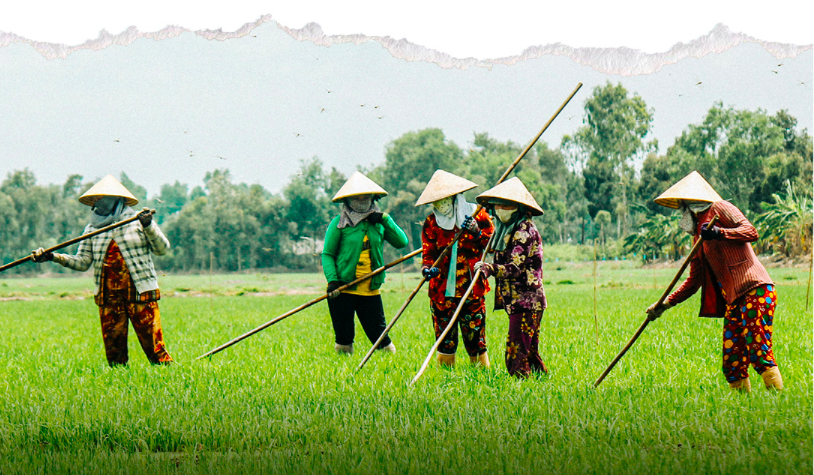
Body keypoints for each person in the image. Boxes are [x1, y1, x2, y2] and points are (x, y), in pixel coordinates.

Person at [645, 171, 784, 392]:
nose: (682, 210)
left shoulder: (720, 208)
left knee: (759, 351)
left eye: (684, 204)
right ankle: (744, 408)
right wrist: (664, 305)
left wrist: (720, 233)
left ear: (692, 203)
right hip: (734, 299)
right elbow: (694, 280)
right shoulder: (698, 236)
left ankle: (779, 401)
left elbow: (751, 231)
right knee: (732, 360)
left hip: (755, 290)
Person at [31, 175, 173, 367]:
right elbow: (82, 262)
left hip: (140, 292)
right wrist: (53, 256)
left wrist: (148, 226)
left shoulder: (138, 220)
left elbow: (162, 249)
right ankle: (119, 382)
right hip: (108, 296)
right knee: (114, 350)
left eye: (102, 198)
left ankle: (165, 373)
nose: (97, 203)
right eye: (95, 199)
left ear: (116, 199)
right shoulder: (92, 229)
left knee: (154, 345)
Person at [321, 172, 408, 355]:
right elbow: (327, 254)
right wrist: (333, 281)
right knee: (344, 338)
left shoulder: (379, 224)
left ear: (373, 197)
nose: (362, 200)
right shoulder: (339, 224)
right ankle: (343, 372)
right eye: (357, 197)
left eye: (366, 196)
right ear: (348, 200)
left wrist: (385, 219)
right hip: (343, 288)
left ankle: (391, 366)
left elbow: (402, 242)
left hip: (370, 288)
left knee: (380, 337)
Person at [415, 170, 494, 368]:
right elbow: (428, 254)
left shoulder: (477, 214)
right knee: (445, 339)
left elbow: (492, 245)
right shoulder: (432, 222)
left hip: (471, 289)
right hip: (442, 292)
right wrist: (427, 270)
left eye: (445, 200)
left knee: (475, 337)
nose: (441, 205)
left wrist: (477, 233)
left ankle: (480, 375)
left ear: (454, 197)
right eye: (437, 201)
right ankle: (446, 378)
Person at [473, 177, 548, 378]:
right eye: (497, 205)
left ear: (516, 207)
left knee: (516, 350)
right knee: (529, 349)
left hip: (527, 299)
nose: (499, 209)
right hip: (516, 299)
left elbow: (515, 267)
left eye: (504, 204)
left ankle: (521, 387)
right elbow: (493, 246)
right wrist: (476, 232)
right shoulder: (506, 229)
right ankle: (541, 381)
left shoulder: (524, 230)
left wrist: (490, 268)